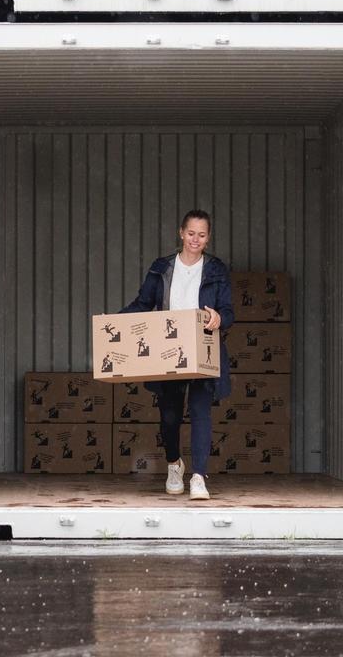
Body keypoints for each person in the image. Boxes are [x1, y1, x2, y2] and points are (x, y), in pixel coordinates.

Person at [120, 209, 234, 500]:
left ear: (208, 238)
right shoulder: (162, 267)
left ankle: (198, 476)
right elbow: (144, 303)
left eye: (202, 234)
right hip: (168, 350)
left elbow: (228, 313)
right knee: (169, 416)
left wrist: (219, 319)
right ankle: (174, 464)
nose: (196, 239)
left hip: (202, 350)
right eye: (191, 233)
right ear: (181, 233)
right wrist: (115, 322)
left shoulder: (216, 269)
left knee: (200, 413)